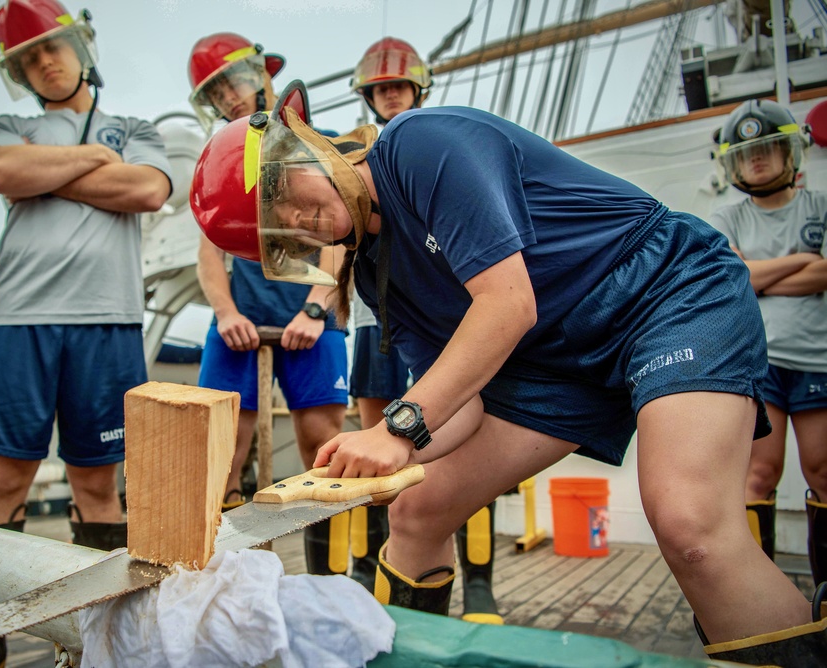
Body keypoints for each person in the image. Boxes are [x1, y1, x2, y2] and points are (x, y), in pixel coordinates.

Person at [189, 86, 826, 664]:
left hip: (664, 293)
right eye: (283, 234)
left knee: (689, 523)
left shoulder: (420, 143)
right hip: (552, 358)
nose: (303, 224)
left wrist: (399, 426)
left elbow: (507, 303)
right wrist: (370, 458)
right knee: (416, 509)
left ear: (301, 147)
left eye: (286, 202)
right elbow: (458, 406)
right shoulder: (381, 277)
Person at [345, 37, 501, 625]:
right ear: (369, 95)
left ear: (418, 90)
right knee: (372, 453)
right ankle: (367, 567)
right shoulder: (349, 151)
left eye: (398, 86)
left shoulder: (434, 142)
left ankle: (480, 583)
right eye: (380, 88)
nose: (389, 95)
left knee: (459, 451)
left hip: (442, 319)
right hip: (371, 325)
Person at [187, 32, 349, 576]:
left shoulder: (317, 143)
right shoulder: (222, 161)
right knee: (220, 453)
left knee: (324, 446)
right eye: (215, 94)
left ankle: (328, 583)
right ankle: (225, 579)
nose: (229, 98)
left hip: (311, 319)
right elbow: (209, 251)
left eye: (233, 81)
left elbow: (338, 234)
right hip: (240, 321)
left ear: (263, 73)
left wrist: (317, 306)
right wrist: (226, 312)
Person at [709, 98, 827, 587]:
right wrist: (804, 263)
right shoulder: (726, 216)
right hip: (759, 361)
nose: (756, 159)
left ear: (790, 153)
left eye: (768, 148)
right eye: (746, 153)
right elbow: (730, 275)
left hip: (817, 360)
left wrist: (756, 276)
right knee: (759, 474)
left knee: (822, 470)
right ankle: (765, 594)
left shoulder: (820, 206)